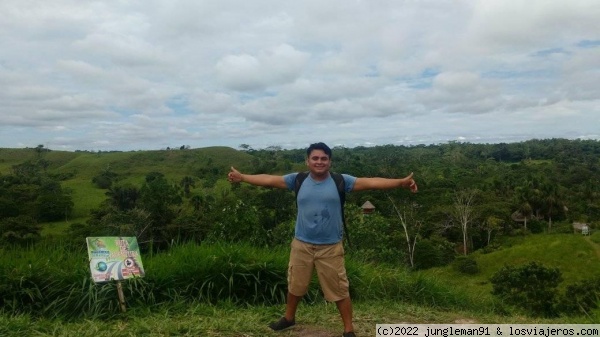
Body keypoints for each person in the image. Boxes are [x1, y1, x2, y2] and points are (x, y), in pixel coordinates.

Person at [227, 142, 417, 337]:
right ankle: (289, 318)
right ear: (307, 161)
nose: (319, 162)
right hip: (301, 243)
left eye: (324, 158)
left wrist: (400, 182)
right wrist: (242, 178)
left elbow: (372, 182)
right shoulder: (297, 180)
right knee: (295, 284)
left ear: (330, 161)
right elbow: (268, 180)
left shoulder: (341, 181)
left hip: (330, 247)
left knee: (340, 289)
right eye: (315, 158)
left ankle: (348, 329)